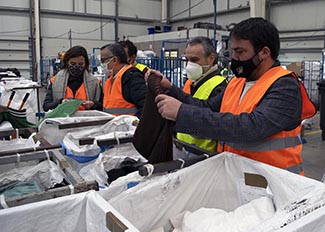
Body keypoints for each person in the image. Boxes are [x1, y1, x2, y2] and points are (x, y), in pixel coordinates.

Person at [147, 17, 316, 175]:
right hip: (236, 176)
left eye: (240, 52)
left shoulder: (284, 86)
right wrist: (170, 88)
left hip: (273, 185)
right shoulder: (237, 83)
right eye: (232, 52)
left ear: (264, 52)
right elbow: (207, 108)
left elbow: (251, 127)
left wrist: (182, 113)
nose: (234, 58)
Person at [177, 36, 227, 155]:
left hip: (203, 154)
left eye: (194, 60)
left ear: (211, 58)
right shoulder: (190, 82)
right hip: (182, 147)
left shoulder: (219, 86)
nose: (189, 65)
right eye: (187, 60)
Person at [43, 46, 103, 112]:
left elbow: (103, 106)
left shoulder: (95, 83)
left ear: (86, 64)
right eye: (73, 63)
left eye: (80, 64)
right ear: (66, 62)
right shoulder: (55, 81)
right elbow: (46, 106)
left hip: (86, 120)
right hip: (63, 121)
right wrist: (60, 102)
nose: (76, 67)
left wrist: (93, 104)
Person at [100, 43, 147, 118]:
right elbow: (108, 105)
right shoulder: (109, 81)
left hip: (128, 128)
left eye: (103, 60)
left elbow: (146, 106)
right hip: (113, 127)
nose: (102, 64)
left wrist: (132, 124)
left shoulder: (132, 77)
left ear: (115, 60)